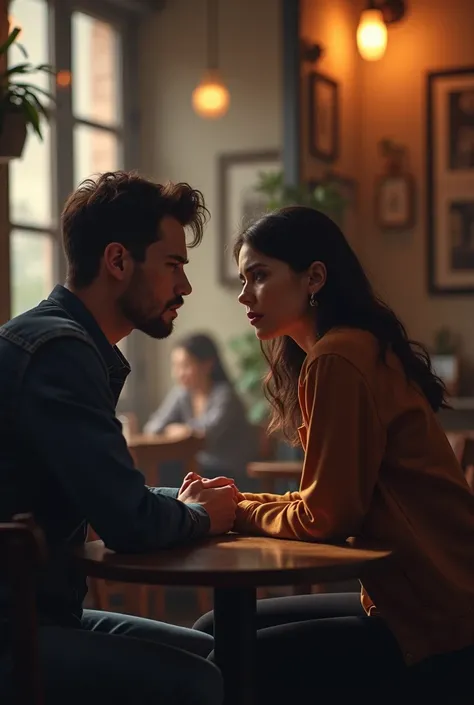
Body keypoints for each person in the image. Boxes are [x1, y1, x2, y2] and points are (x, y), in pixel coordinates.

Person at [193, 206, 474, 703]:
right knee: (214, 628)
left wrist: (235, 509)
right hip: (416, 601)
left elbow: (326, 517)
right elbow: (327, 499)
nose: (243, 295)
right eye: (243, 278)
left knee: (224, 657)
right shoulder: (352, 347)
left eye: (259, 276)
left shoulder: (338, 358)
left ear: (314, 277)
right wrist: (236, 499)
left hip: (432, 624)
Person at [0, 171, 238, 705]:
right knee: (202, 682)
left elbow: (113, 499)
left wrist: (181, 501)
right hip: (15, 637)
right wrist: (199, 514)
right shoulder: (60, 352)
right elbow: (128, 523)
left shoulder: (59, 340)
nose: (185, 286)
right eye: (173, 265)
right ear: (117, 261)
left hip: (43, 618)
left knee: (209, 651)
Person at [144, 333, 257, 487]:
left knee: (166, 473)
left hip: (227, 473)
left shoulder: (225, 396)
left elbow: (205, 436)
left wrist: (184, 431)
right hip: (196, 467)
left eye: (185, 366)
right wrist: (182, 431)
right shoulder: (182, 394)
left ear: (207, 364)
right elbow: (153, 427)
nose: (178, 373)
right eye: (175, 366)